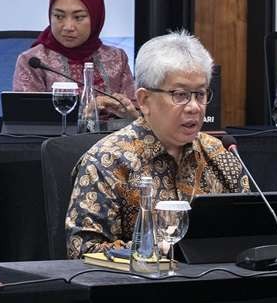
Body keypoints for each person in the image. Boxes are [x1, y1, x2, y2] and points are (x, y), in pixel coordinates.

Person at [65, 31, 249, 258]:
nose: (194, 107)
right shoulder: (107, 162)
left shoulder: (219, 155)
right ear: (144, 100)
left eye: (200, 94)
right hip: (139, 280)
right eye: (180, 94)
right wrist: (159, 251)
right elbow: (83, 251)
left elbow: (251, 233)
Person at [12, 0, 137, 119]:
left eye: (78, 17)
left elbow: (139, 117)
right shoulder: (34, 62)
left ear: (96, 16)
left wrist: (129, 113)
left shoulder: (117, 58)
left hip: (115, 135)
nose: (68, 27)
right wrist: (87, 111)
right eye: (59, 16)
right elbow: (27, 121)